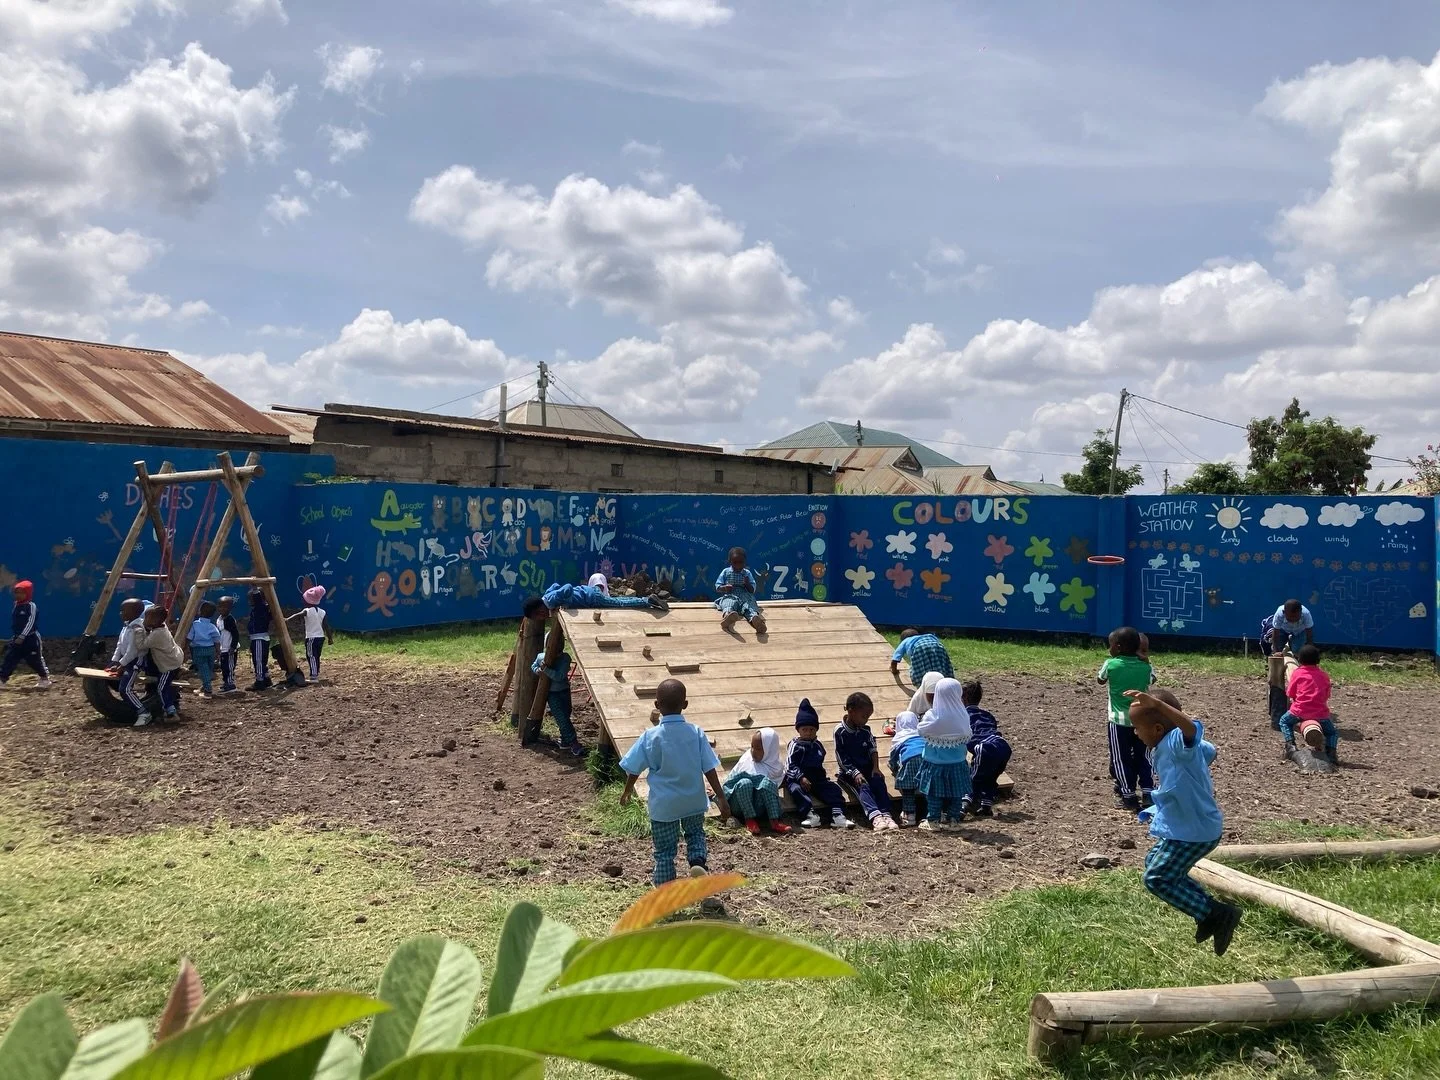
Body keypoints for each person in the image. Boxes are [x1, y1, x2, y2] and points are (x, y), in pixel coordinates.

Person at [1124, 688, 1241, 956]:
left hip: (1194, 830)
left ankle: (1214, 913)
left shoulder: (1177, 742)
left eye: (1137, 727)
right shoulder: (1177, 747)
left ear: (1156, 728)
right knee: (1155, 864)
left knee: (1156, 879)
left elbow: (1189, 730)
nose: (1134, 733)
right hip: (1186, 825)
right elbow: (1210, 750)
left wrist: (1158, 705)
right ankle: (1209, 912)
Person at [619, 678, 731, 885]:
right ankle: (697, 862)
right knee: (696, 834)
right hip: (693, 800)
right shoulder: (696, 732)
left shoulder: (650, 737)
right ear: (685, 704)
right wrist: (721, 797)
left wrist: (627, 791)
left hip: (664, 805)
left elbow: (634, 768)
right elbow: (709, 767)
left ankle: (664, 889)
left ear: (657, 705)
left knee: (664, 851)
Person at [1098, 626, 1156, 812]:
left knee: (1120, 758)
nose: (1109, 649)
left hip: (1118, 721)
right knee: (1144, 756)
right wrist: (1144, 660)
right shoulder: (1145, 667)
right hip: (1142, 720)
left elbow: (1100, 679)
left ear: (1119, 647)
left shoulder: (1111, 664)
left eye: (1111, 645)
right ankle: (1148, 792)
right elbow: (1152, 680)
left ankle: (1128, 795)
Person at [834, 691, 898, 830]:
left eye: (868, 717)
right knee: (863, 786)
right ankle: (875, 816)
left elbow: (872, 749)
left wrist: (876, 767)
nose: (866, 720)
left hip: (867, 768)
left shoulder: (866, 730)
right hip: (849, 772)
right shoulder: (840, 732)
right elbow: (841, 757)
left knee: (878, 781)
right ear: (851, 711)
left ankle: (886, 814)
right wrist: (855, 772)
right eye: (864, 716)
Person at [783, 699, 852, 828]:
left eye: (811, 730)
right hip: (798, 778)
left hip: (816, 778)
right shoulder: (795, 745)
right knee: (796, 790)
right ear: (799, 730)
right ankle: (810, 815)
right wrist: (800, 777)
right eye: (805, 730)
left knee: (833, 789)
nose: (808, 733)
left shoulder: (818, 745)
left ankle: (838, 816)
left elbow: (820, 759)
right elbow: (790, 764)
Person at [917, 678, 972, 832]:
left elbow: (921, 730)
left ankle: (933, 820)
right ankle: (953, 820)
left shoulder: (932, 715)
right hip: (958, 763)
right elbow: (967, 734)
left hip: (934, 763)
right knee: (956, 794)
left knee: (933, 794)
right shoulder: (963, 715)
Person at [722, 728, 793, 836]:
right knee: (745, 783)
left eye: (759, 749)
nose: (753, 751)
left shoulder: (776, 767)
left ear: (770, 749)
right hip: (739, 805)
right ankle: (749, 820)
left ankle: (774, 821)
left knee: (766, 783)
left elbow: (775, 787)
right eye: (752, 747)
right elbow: (730, 782)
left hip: (759, 807)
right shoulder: (747, 759)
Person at [959, 680, 1011, 818]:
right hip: (1003, 745)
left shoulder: (962, 715)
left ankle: (963, 806)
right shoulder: (988, 715)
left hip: (985, 747)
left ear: (963, 698)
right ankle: (986, 806)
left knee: (973, 777)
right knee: (990, 776)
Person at [1280, 644, 1339, 764]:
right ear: (1318, 660)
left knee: (1284, 721)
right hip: (1320, 714)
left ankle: (1290, 746)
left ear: (1300, 660)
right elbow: (1327, 695)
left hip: (1299, 711)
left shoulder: (1298, 673)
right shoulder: (1324, 675)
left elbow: (1290, 692)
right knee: (1332, 732)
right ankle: (1331, 753)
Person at [130, 605, 184, 727]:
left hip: (168, 665)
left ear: (155, 621)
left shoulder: (157, 634)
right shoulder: (161, 628)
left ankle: (171, 713)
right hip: (174, 657)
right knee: (163, 686)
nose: (144, 621)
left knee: (161, 688)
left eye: (146, 618)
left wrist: (138, 632)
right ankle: (171, 705)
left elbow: (142, 645)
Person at [0, 580, 51, 690]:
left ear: (27, 593)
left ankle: (44, 679)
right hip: (17, 638)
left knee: (34, 660)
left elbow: (30, 622)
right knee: (10, 658)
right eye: (16, 593)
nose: (18, 595)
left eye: (21, 593)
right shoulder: (16, 606)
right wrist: (16, 637)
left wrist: (23, 636)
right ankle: (2, 679)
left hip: (30, 639)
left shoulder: (31, 606)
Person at [107, 598, 150, 715]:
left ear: (134, 612)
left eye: (124, 610)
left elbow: (133, 651)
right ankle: (131, 703)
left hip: (135, 661)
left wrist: (121, 664)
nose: (121, 613)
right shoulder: (126, 626)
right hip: (127, 660)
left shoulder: (138, 628)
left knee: (125, 689)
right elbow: (119, 645)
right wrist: (114, 661)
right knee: (109, 678)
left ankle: (144, 713)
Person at [287, 585, 334, 683]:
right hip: (321, 637)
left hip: (311, 637)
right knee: (316, 656)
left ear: (308, 601)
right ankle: (315, 673)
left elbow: (297, 615)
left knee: (311, 656)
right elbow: (326, 626)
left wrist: (287, 619)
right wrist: (330, 638)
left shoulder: (307, 611)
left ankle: (313, 676)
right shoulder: (322, 612)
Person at [714, 547, 767, 634]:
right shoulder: (726, 572)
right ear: (730, 561)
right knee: (728, 602)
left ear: (745, 562)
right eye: (735, 562)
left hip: (745, 595)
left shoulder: (747, 573)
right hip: (731, 594)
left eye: (741, 562)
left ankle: (755, 619)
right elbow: (717, 586)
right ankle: (728, 616)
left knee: (749, 605)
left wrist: (747, 584)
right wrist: (724, 588)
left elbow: (752, 590)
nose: (738, 565)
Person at [888, 709, 926, 827]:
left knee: (908, 790)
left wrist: (893, 769)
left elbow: (893, 758)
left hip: (910, 761)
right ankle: (932, 814)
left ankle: (910, 816)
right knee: (928, 789)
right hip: (927, 760)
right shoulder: (921, 735)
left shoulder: (899, 738)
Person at [539, 579, 668, 613]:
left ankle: (646, 600)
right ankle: (644, 600)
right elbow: (555, 585)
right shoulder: (547, 596)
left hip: (592, 598)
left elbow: (567, 587)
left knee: (619, 604)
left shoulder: (550, 601)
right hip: (590, 592)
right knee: (617, 600)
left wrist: (565, 603)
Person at [890, 628, 954, 687]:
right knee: (941, 665)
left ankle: (922, 686)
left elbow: (895, 658)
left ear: (902, 639)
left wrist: (894, 670)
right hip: (938, 646)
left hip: (919, 648)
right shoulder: (928, 636)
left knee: (920, 670)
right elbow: (936, 641)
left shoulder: (905, 641)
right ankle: (946, 683)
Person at [185, 600, 222, 698]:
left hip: (198, 650)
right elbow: (216, 640)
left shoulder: (195, 624)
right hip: (210, 650)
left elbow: (189, 637)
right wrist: (218, 651)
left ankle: (208, 691)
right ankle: (204, 686)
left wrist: (186, 648)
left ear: (200, 611)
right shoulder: (212, 626)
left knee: (203, 669)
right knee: (209, 669)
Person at [247, 587, 274, 691]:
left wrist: (254, 588)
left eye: (251, 598)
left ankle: (260, 681)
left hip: (259, 638)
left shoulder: (261, 607)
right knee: (262, 661)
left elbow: (258, 600)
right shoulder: (262, 608)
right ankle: (266, 678)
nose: (249, 600)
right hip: (260, 638)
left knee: (258, 661)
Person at [215, 596, 240, 694]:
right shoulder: (219, 619)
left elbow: (235, 634)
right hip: (223, 648)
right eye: (221, 607)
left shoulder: (229, 620)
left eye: (226, 607)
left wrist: (232, 647)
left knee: (229, 667)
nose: (223, 609)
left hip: (229, 648)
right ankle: (226, 682)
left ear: (230, 608)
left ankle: (230, 684)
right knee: (224, 667)